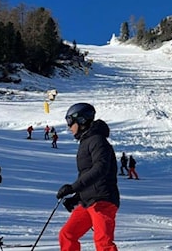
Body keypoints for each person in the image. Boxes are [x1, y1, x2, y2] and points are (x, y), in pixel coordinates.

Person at [56, 103, 120, 251]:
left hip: (103, 200)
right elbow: (87, 174)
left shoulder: (98, 141)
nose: (69, 127)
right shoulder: (86, 142)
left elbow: (100, 169)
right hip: (88, 201)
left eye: (70, 123)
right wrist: (77, 197)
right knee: (67, 234)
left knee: (103, 242)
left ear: (82, 121)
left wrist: (73, 188)